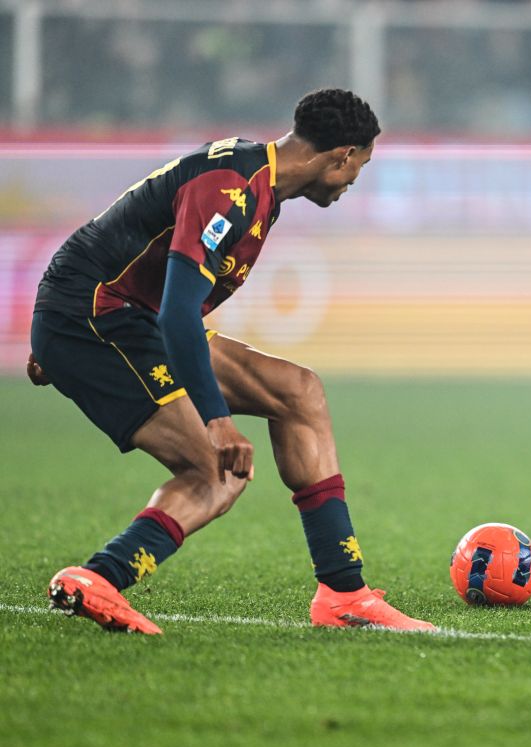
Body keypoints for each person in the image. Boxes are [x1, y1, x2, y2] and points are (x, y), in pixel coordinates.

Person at [28, 88, 436, 635]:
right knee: (216, 473)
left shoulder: (256, 181)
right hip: (102, 317)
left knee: (298, 392)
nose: (353, 182)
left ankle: (344, 594)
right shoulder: (231, 189)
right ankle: (100, 577)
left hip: (115, 314)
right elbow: (177, 314)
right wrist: (217, 421)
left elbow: (133, 242)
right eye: (359, 166)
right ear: (342, 156)